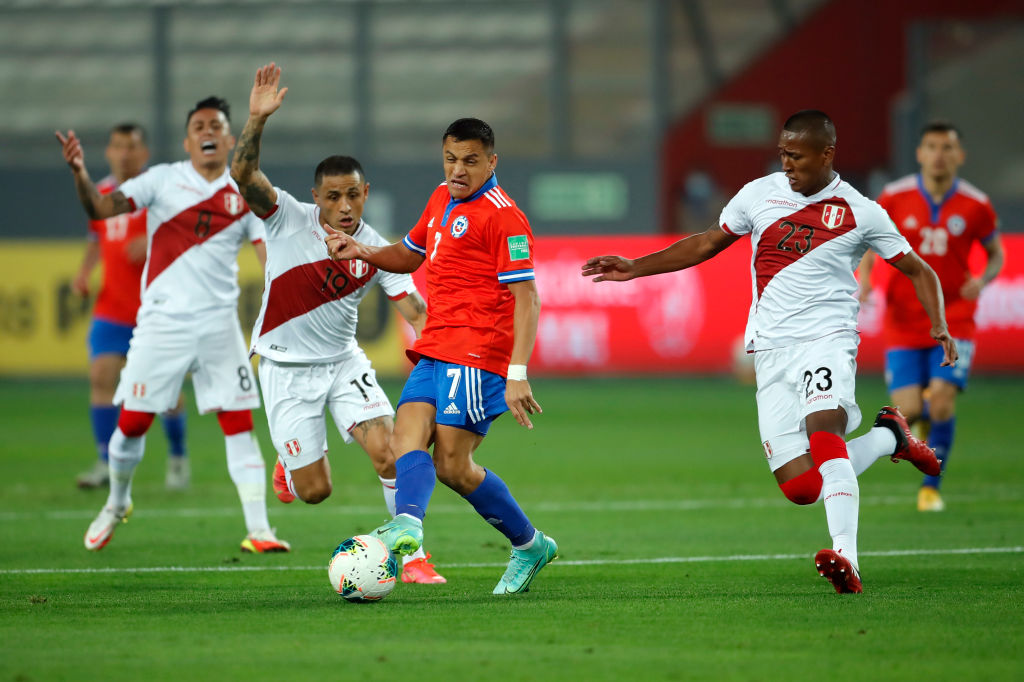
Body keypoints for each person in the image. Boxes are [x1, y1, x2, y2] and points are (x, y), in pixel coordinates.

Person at [582, 110, 954, 594]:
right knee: (802, 488)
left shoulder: (860, 211)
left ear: (826, 154)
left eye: (796, 155)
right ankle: (889, 437)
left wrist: (940, 325)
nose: (787, 163)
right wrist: (636, 267)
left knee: (826, 438)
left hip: (828, 340)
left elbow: (918, 269)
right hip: (770, 350)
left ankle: (848, 558)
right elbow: (707, 243)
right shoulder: (759, 193)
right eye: (782, 153)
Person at [231, 63, 444, 583]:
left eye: (353, 195)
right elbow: (242, 176)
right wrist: (256, 121)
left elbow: (414, 309)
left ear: (365, 192)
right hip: (285, 368)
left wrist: (447, 350)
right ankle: (289, 457)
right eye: (332, 196)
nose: (344, 207)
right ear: (316, 196)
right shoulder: (285, 216)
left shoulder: (373, 245)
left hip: (343, 361)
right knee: (315, 492)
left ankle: (410, 553)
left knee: (392, 451)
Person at [325, 117, 557, 595]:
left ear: (492, 162)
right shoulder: (440, 198)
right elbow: (410, 255)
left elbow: (527, 297)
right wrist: (362, 250)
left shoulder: (503, 216)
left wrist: (517, 373)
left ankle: (530, 545)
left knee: (452, 465)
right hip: (436, 345)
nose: (458, 170)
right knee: (402, 439)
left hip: (478, 352)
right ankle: (408, 526)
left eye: (470, 161)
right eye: (451, 159)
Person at [56, 96, 290, 554]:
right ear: (188, 140)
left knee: (239, 422)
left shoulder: (246, 190)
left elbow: (270, 258)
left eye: (217, 126)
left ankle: (260, 529)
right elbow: (101, 211)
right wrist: (81, 173)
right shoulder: (163, 180)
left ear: (228, 138)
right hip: (163, 322)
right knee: (135, 423)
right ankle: (117, 502)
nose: (208, 131)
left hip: (220, 325)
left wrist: (277, 296)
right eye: (199, 125)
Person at [858, 121, 1003, 512]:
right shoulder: (895, 195)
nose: (939, 154)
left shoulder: (976, 204)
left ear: (959, 155)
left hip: (956, 315)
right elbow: (870, 241)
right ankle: (921, 425)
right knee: (909, 411)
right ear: (920, 153)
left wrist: (983, 279)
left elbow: (996, 254)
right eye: (932, 147)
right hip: (903, 319)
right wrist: (867, 277)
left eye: (947, 147)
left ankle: (930, 487)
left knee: (940, 403)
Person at [71, 122, 190, 491]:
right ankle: (106, 462)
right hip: (112, 307)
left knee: (165, 391)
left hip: (155, 309)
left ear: (144, 153)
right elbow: (96, 236)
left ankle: (177, 457)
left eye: (131, 146)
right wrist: (84, 272)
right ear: (108, 151)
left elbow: (190, 235)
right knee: (102, 378)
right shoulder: (103, 193)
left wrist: (152, 243)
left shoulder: (160, 191)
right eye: (118, 145)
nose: (124, 153)